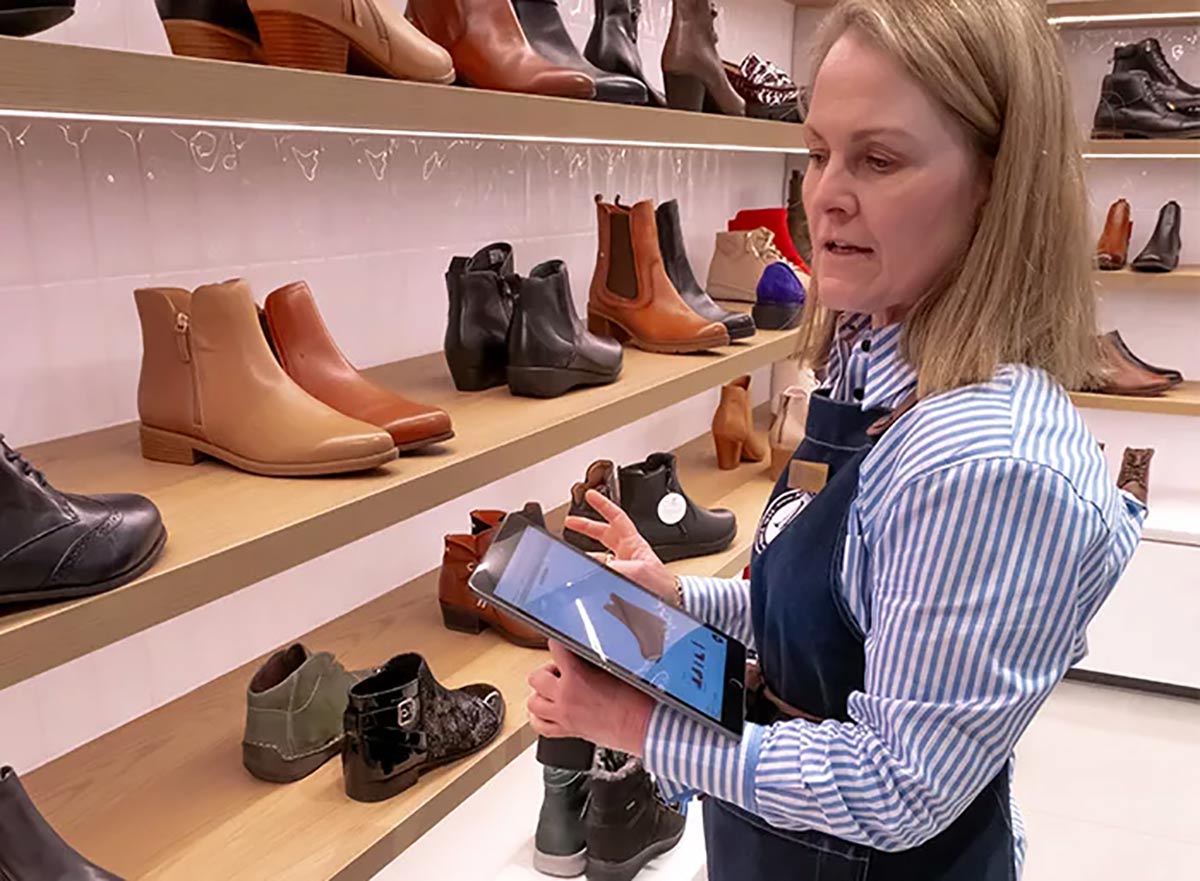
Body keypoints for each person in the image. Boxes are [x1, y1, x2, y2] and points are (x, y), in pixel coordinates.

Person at [526, 0, 1147, 878]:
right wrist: (674, 595)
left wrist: (635, 724)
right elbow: (838, 618)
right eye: (818, 152)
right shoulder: (873, 374)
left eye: (878, 159)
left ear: (995, 183)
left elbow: (896, 784)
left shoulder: (984, 463)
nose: (824, 194)